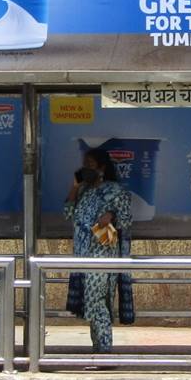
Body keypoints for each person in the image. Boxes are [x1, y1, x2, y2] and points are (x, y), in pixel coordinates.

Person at [64, 147, 133, 353]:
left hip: (103, 254)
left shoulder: (116, 191)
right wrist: (75, 186)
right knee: (92, 304)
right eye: (84, 165)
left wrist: (111, 215)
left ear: (102, 167)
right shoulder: (85, 191)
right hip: (83, 254)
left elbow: (126, 219)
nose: (86, 169)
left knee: (97, 303)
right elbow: (68, 213)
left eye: (90, 165)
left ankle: (104, 351)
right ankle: (98, 350)